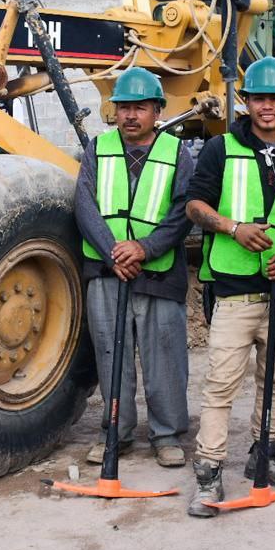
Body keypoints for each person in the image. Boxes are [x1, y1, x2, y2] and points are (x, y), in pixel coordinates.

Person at [184, 56, 275, 517]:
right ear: (245, 103)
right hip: (233, 291)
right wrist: (233, 227)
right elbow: (194, 206)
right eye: (258, 98)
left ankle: (266, 458)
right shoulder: (220, 149)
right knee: (220, 385)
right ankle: (208, 474)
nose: (267, 107)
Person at [75, 67, 194, 468]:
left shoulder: (177, 153)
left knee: (166, 358)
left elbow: (183, 213)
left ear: (157, 110)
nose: (129, 116)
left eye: (139, 108)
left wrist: (143, 249)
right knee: (111, 356)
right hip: (107, 273)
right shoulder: (97, 149)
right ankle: (116, 433)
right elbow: (85, 205)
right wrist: (113, 253)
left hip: (157, 272)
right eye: (123, 107)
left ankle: (168, 435)